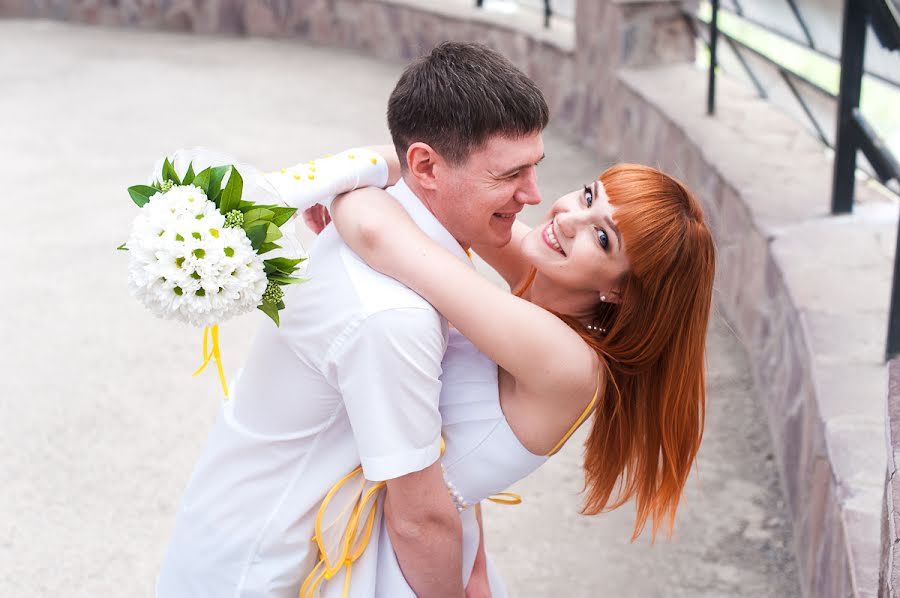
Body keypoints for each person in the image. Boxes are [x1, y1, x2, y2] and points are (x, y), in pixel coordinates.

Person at [156, 41, 548, 598]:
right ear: (425, 166)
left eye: (536, 168)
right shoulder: (392, 316)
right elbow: (418, 521)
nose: (532, 194)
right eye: (510, 174)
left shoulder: (393, 219)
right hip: (263, 568)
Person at [296, 156, 716, 597]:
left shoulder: (566, 361)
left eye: (602, 237)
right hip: (404, 524)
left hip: (398, 556)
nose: (569, 218)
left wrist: (352, 186)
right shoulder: (544, 272)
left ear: (620, 291)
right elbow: (439, 178)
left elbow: (378, 231)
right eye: (589, 196)